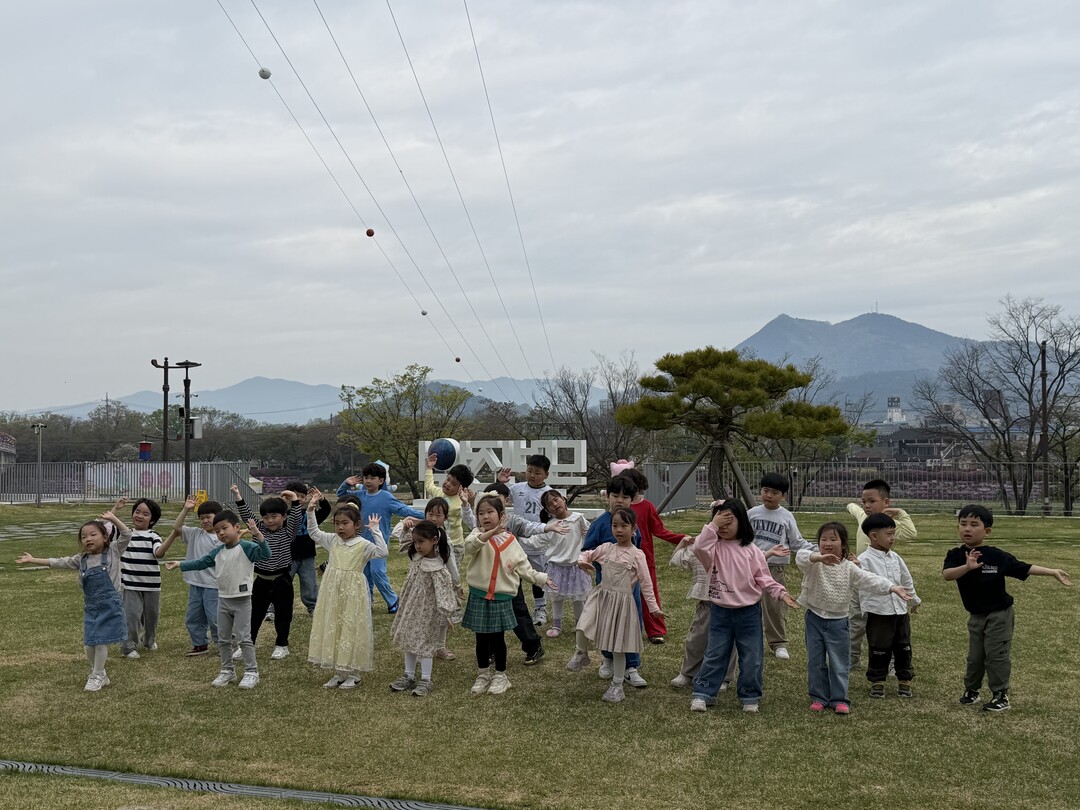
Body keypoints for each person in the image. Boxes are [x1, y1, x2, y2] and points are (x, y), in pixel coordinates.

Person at [943, 504, 1071, 712]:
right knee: (975, 657)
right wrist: (967, 567)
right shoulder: (956, 555)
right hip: (975, 615)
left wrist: (1053, 572)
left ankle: (1000, 695)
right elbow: (948, 575)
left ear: (987, 531)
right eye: (963, 524)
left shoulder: (996, 556)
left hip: (999, 614)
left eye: (974, 524)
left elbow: (1024, 568)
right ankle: (971, 691)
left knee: (996, 655)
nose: (967, 529)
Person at [688, 499, 798, 714]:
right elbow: (699, 546)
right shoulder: (713, 550)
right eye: (720, 522)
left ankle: (749, 695)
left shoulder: (752, 551)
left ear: (742, 522)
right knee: (715, 653)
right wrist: (712, 525)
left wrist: (781, 593)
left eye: (730, 521)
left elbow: (764, 579)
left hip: (749, 613)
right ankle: (703, 693)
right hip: (720, 611)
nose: (724, 527)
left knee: (752, 656)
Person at [796, 522, 911, 714]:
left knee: (839, 662)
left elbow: (869, 579)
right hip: (814, 618)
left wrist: (892, 587)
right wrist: (818, 557)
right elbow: (801, 556)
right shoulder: (813, 563)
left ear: (843, 544)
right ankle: (819, 697)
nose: (828, 543)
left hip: (839, 621)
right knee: (815, 661)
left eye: (833, 539)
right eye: (823, 539)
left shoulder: (849, 567)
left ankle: (840, 699)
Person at [16, 510, 131, 691]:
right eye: (84, 536)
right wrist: (33, 560)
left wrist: (113, 518)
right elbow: (58, 562)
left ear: (105, 537)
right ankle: (98, 673)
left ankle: (97, 674)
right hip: (91, 606)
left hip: (110, 605)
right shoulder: (81, 559)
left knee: (101, 642)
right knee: (88, 644)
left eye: (93, 534)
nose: (88, 539)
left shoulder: (114, 551)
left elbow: (127, 534)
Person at [165, 511, 271, 689]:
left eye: (224, 528)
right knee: (223, 639)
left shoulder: (246, 547)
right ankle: (227, 670)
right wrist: (180, 564)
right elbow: (201, 562)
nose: (221, 533)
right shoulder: (218, 551)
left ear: (236, 528)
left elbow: (265, 554)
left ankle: (252, 672)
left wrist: (258, 535)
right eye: (217, 531)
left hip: (242, 600)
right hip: (223, 599)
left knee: (244, 638)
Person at [461, 495, 553, 695]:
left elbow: (523, 566)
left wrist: (540, 578)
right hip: (479, 595)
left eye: (490, 512)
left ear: (501, 515)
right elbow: (470, 547)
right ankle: (483, 673)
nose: (485, 516)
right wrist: (491, 532)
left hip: (501, 597)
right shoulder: (476, 535)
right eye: (481, 513)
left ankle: (501, 675)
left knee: (497, 639)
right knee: (481, 639)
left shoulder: (510, 540)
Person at [474, 482, 568, 666]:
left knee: (519, 613)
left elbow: (530, 527)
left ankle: (533, 646)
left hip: (510, 578)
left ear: (505, 503)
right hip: (488, 582)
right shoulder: (480, 529)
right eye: (484, 509)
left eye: (494, 506)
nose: (489, 513)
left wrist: (546, 527)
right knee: (490, 618)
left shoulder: (513, 521)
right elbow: (471, 539)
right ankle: (490, 651)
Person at [577, 507, 663, 703]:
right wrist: (582, 562)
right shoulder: (606, 548)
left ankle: (617, 685)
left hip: (622, 604)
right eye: (615, 525)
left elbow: (646, 585)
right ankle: (580, 653)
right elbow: (586, 554)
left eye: (624, 525)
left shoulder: (637, 555)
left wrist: (654, 608)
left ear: (633, 529)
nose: (619, 530)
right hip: (602, 598)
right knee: (583, 625)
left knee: (618, 646)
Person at [304, 492, 386, 689]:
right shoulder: (332, 540)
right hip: (332, 591)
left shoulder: (363, 545)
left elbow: (382, 552)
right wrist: (310, 511)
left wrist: (376, 531)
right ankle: (340, 672)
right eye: (337, 523)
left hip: (353, 592)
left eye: (345, 523)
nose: (340, 527)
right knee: (335, 626)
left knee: (351, 627)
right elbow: (314, 532)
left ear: (357, 525)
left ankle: (354, 673)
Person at [581, 475, 648, 686]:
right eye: (615, 495)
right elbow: (587, 551)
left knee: (631, 622)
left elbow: (639, 550)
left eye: (625, 496)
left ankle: (631, 666)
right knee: (608, 622)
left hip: (631, 588)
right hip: (607, 586)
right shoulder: (600, 524)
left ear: (632, 499)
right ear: (607, 496)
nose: (619, 500)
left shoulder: (633, 523)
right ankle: (608, 658)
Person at [847, 479, 918, 670]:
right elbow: (853, 509)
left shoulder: (890, 526)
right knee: (856, 623)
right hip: (861, 579)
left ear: (886, 502)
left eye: (872, 501)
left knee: (890, 627)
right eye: (864, 502)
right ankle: (852, 659)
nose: (867, 506)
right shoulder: (863, 517)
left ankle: (893, 663)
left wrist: (901, 513)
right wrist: (852, 506)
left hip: (885, 587)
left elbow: (911, 533)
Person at [336, 463, 424, 613]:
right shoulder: (359, 496)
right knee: (364, 575)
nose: (368, 481)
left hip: (379, 544)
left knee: (377, 572)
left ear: (381, 481)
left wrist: (427, 517)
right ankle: (367, 602)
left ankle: (392, 600)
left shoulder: (386, 497)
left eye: (372, 478)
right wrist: (346, 483)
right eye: (366, 478)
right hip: (360, 543)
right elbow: (341, 495)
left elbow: (405, 510)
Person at [231, 483, 303, 661]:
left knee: (283, 614)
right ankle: (247, 645)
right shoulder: (259, 530)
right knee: (254, 615)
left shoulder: (288, 532)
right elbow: (248, 516)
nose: (270, 520)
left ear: (283, 517)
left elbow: (296, 519)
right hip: (261, 580)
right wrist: (238, 496)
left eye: (274, 516)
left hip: (282, 580)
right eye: (266, 517)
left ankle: (282, 645)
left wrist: (294, 500)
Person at [748, 472, 816, 661]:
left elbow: (796, 542)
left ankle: (779, 643)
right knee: (747, 605)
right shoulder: (752, 514)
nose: (769, 495)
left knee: (775, 608)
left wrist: (815, 550)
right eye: (765, 490)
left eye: (774, 492)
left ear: (783, 496)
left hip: (775, 568)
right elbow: (742, 539)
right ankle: (749, 641)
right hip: (749, 567)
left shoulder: (786, 517)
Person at [389, 520, 459, 696]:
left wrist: (447, 614)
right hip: (410, 608)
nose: (417, 546)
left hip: (427, 613)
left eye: (421, 542)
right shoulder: (416, 557)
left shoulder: (437, 567)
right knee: (409, 639)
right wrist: (405, 528)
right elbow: (404, 541)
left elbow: (444, 593)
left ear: (434, 540)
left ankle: (426, 679)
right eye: (416, 541)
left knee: (426, 643)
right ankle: (409, 675)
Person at [617, 467, 687, 644]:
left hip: (644, 557)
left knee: (649, 593)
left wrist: (682, 539)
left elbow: (659, 530)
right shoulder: (617, 509)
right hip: (620, 558)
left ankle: (655, 630)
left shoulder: (647, 506)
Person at [858, 513, 921, 699]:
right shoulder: (864, 560)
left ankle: (905, 680)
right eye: (889, 534)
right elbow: (867, 583)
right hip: (879, 612)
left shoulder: (896, 558)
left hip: (900, 611)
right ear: (874, 536)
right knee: (879, 647)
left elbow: (906, 580)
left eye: (893, 534)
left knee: (904, 646)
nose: (893, 538)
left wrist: (914, 599)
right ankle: (877, 681)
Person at [393, 497, 462, 660]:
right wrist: (409, 523)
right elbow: (398, 535)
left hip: (437, 583)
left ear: (445, 518)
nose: (433, 518)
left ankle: (440, 647)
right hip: (418, 585)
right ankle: (418, 646)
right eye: (430, 514)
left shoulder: (444, 538)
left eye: (439, 515)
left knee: (441, 617)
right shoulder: (418, 532)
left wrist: (456, 584)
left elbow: (451, 563)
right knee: (418, 616)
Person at [156, 495, 223, 656]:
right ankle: (200, 644)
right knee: (193, 617)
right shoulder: (195, 533)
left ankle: (224, 644)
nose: (205, 521)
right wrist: (186, 509)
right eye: (201, 518)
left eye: (208, 517)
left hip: (213, 585)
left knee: (215, 618)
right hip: (196, 584)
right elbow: (177, 528)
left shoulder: (222, 537)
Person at [498, 455, 552, 624]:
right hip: (516, 542)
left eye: (537, 472)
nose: (532, 475)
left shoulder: (548, 493)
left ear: (546, 475)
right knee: (514, 575)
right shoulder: (516, 488)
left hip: (538, 542)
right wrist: (501, 483)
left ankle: (540, 609)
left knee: (537, 577)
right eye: (529, 471)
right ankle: (515, 609)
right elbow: (500, 499)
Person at [536, 489, 591, 647]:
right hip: (556, 567)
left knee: (578, 597)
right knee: (556, 597)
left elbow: (588, 533)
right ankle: (556, 625)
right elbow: (539, 541)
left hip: (576, 566)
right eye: (550, 504)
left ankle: (580, 624)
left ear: (563, 499)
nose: (555, 504)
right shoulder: (550, 526)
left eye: (556, 499)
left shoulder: (578, 518)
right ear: (548, 510)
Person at [118, 497, 164, 659]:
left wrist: (164, 547)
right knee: (131, 616)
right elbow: (104, 525)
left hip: (152, 585)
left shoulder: (153, 536)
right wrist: (116, 509)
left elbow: (158, 552)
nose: (139, 516)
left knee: (151, 616)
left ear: (152, 520)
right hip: (130, 584)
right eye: (137, 512)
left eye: (145, 514)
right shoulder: (125, 534)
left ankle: (149, 640)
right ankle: (128, 647)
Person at [668, 534, 710, 689]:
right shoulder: (698, 547)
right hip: (706, 602)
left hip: (730, 602)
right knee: (696, 638)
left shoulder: (736, 545)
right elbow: (675, 559)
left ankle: (724, 678)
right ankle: (688, 672)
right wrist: (682, 542)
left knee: (726, 642)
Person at [285, 480, 330, 618]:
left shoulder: (310, 513)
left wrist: (321, 499)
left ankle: (313, 606)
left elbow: (326, 510)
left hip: (307, 556)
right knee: (283, 584)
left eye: (301, 496)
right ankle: (275, 608)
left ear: (305, 498)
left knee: (310, 584)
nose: (298, 499)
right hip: (287, 556)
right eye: (294, 495)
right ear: (287, 498)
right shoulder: (282, 515)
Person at [423, 453, 475, 555]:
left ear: (461, 488)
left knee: (452, 571)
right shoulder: (439, 492)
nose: (448, 484)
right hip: (437, 541)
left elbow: (468, 517)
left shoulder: (461, 501)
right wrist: (429, 468)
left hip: (455, 545)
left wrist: (469, 502)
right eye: (448, 479)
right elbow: (429, 486)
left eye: (454, 484)